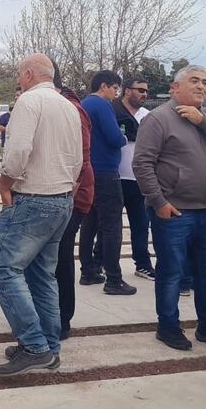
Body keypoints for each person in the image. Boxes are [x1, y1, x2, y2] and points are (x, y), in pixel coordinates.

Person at [0, 54, 82, 376]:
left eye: (19, 75)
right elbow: (80, 158)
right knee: (43, 275)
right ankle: (49, 347)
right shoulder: (68, 106)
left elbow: (17, 152)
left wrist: (4, 182)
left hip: (34, 198)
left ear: (28, 74)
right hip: (61, 198)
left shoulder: (29, 102)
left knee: (2, 267)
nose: (19, 81)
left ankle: (34, 346)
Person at [133, 65, 206, 351]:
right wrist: (159, 202)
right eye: (194, 81)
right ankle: (168, 327)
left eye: (205, 83)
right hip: (173, 212)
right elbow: (142, 163)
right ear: (175, 88)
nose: (201, 87)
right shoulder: (159, 119)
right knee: (171, 272)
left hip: (204, 210)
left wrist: (202, 122)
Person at [80, 70, 133, 294]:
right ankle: (114, 279)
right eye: (115, 88)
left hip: (90, 170)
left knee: (89, 223)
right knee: (112, 226)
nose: (116, 93)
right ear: (104, 86)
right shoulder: (102, 106)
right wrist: (124, 136)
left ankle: (88, 271)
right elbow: (113, 137)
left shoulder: (84, 104)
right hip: (106, 171)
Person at [51, 61, 93, 341]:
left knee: (61, 256)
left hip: (71, 196)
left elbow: (80, 158)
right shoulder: (61, 105)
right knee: (54, 256)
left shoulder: (70, 110)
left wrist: (68, 193)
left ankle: (62, 319)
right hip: (66, 193)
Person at [114, 75, 154, 280]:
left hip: (138, 179)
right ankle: (102, 261)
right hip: (116, 176)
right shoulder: (113, 111)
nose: (144, 94)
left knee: (140, 224)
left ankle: (143, 264)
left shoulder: (147, 116)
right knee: (110, 225)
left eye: (146, 91)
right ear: (127, 90)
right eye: (140, 90)